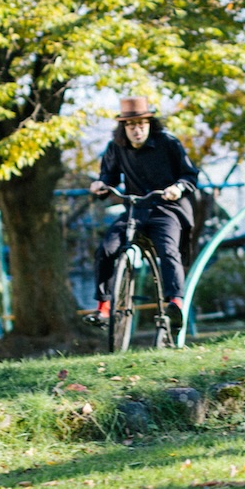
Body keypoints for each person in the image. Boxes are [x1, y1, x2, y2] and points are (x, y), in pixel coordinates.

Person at [86, 97, 199, 330]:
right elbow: (109, 177)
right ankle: (104, 308)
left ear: (150, 124)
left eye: (142, 124)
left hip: (167, 209)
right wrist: (100, 186)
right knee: (106, 249)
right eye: (131, 125)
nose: (137, 130)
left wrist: (177, 188)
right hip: (135, 209)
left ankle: (175, 302)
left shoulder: (168, 143)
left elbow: (189, 176)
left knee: (168, 250)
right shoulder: (116, 148)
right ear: (123, 128)